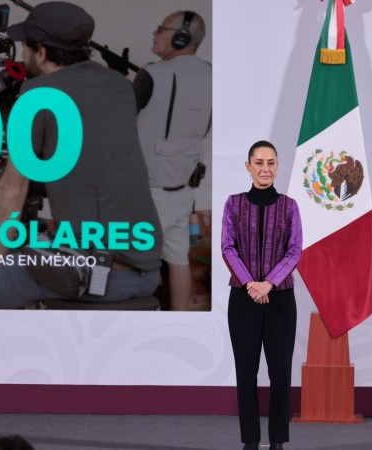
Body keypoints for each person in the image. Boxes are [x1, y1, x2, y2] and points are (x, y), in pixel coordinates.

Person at [0, 1, 162, 308]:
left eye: (25, 47)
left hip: (93, 275)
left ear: (41, 52)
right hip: (148, 268)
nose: (23, 54)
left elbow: (14, 186)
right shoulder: (119, 85)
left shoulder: (37, 93)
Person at [222, 141, 302, 450]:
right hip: (243, 300)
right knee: (246, 373)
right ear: (248, 167)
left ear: (277, 167)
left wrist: (268, 283)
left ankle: (277, 440)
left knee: (280, 374)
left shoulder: (289, 206)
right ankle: (250, 441)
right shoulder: (233, 204)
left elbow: (294, 251)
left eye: (270, 163)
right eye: (259, 163)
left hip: (280, 299)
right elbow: (228, 248)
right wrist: (250, 284)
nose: (265, 169)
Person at [134, 11, 212, 310]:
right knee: (178, 257)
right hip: (183, 185)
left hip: (146, 188)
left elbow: (121, 121)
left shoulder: (152, 74)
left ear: (181, 38)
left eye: (161, 29)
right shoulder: (212, 74)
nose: (154, 34)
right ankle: (180, 320)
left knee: (134, 257)